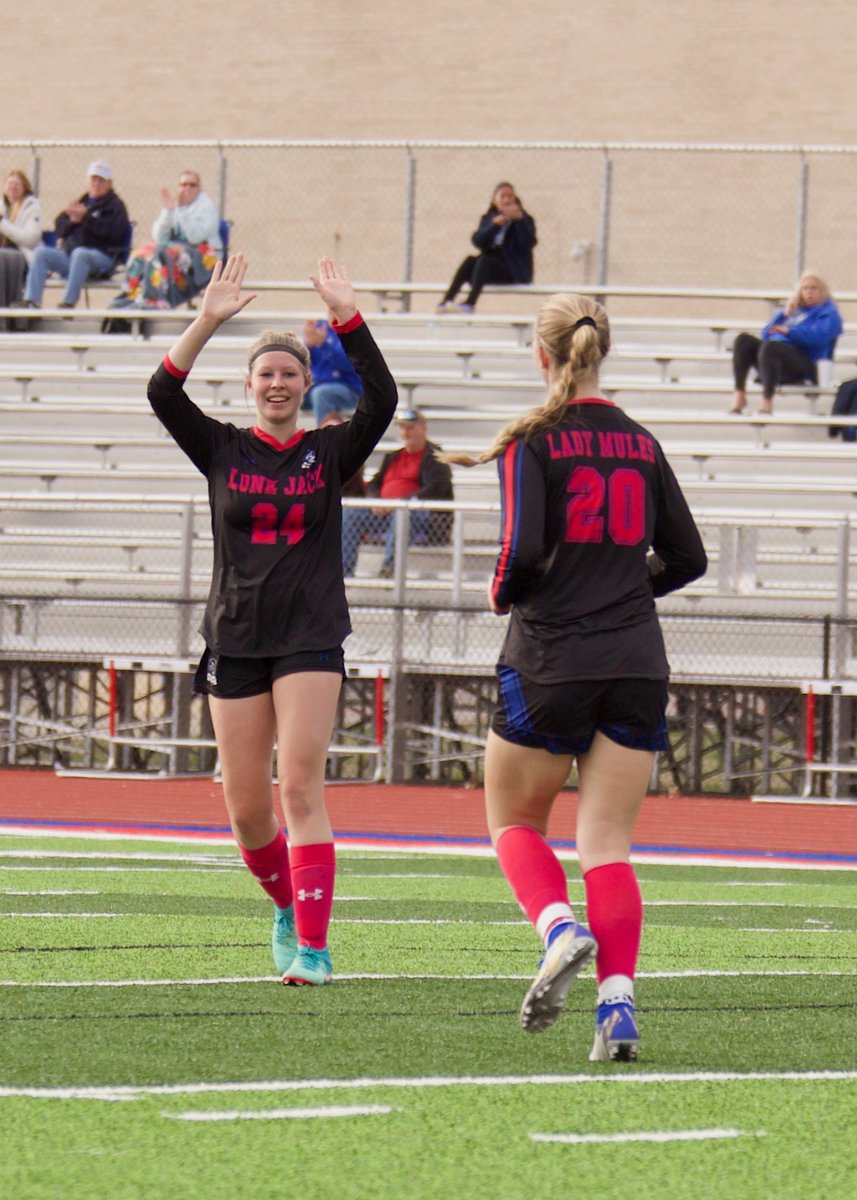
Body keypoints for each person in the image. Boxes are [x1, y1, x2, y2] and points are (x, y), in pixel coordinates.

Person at [446, 293, 707, 1061]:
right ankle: (618, 1007)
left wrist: (502, 593)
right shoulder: (642, 440)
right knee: (608, 847)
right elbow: (687, 559)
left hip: (552, 658)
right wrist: (625, 592)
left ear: (541, 356)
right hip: (635, 660)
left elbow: (521, 554)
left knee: (514, 824)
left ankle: (559, 929)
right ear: (602, 350)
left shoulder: (536, 439)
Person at [146, 254, 397, 986]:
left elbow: (380, 396)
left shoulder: (330, 448)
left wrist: (347, 317)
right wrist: (208, 319)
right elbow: (163, 392)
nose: (279, 383)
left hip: (311, 636)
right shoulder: (221, 445)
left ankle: (314, 950)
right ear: (250, 385)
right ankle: (289, 905)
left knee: (299, 789)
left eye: (290, 373)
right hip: (235, 635)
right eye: (267, 374)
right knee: (248, 810)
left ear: (303, 383)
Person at [341, 408, 454, 578]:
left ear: (423, 428)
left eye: (410, 427)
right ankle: (344, 571)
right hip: (385, 513)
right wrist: (376, 502)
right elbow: (374, 484)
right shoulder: (392, 456)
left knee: (404, 514)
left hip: (420, 516)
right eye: (402, 427)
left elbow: (436, 488)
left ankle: (389, 569)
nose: (405, 432)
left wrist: (400, 504)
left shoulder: (436, 457)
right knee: (350, 514)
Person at [107, 170, 222, 321]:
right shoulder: (175, 205)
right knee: (142, 252)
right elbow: (159, 237)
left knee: (163, 251)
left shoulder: (206, 208)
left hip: (204, 257)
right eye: (183, 184)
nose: (187, 188)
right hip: (175, 251)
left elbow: (196, 237)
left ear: (199, 188)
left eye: (192, 185)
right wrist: (169, 211)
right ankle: (132, 295)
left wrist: (180, 211)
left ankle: (155, 299)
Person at [20, 159, 131, 311]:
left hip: (102, 258)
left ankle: (68, 303)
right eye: (93, 179)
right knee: (41, 253)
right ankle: (31, 301)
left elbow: (114, 234)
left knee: (81, 254)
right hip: (71, 257)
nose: (96, 184)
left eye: (101, 180)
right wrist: (71, 220)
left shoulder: (116, 206)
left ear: (109, 183)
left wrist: (86, 219)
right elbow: (59, 230)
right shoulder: (81, 202)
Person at [730, 272, 842, 414]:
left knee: (772, 347)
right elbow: (766, 334)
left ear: (822, 291)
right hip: (774, 359)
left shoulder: (829, 313)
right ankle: (739, 393)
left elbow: (819, 338)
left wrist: (789, 332)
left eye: (814, 288)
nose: (809, 292)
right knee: (743, 340)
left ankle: (767, 401)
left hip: (806, 363)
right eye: (805, 288)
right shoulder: (794, 310)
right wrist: (784, 314)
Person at [437, 182, 537, 313]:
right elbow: (478, 241)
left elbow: (528, 243)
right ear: (494, 201)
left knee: (484, 261)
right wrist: (494, 226)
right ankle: (446, 301)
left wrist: (519, 220)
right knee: (470, 261)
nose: (507, 199)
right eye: (503, 196)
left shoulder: (525, 220)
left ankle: (470, 303)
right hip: (490, 267)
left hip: (513, 269)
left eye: (510, 196)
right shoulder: (489, 218)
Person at [302, 317, 364, 425]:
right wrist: (308, 347)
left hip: (349, 388)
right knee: (291, 392)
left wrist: (324, 345)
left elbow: (348, 365)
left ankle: (324, 437)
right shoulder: (319, 328)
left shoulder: (352, 332)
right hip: (317, 385)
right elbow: (307, 365)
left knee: (321, 394)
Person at [0, 170, 42, 321]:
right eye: (10, 183)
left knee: (3, 258)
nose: (13, 187)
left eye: (17, 184)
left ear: (25, 187)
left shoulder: (32, 208)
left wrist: (2, 224)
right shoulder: (2, 207)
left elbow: (29, 239)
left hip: (23, 256)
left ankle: (5, 316)